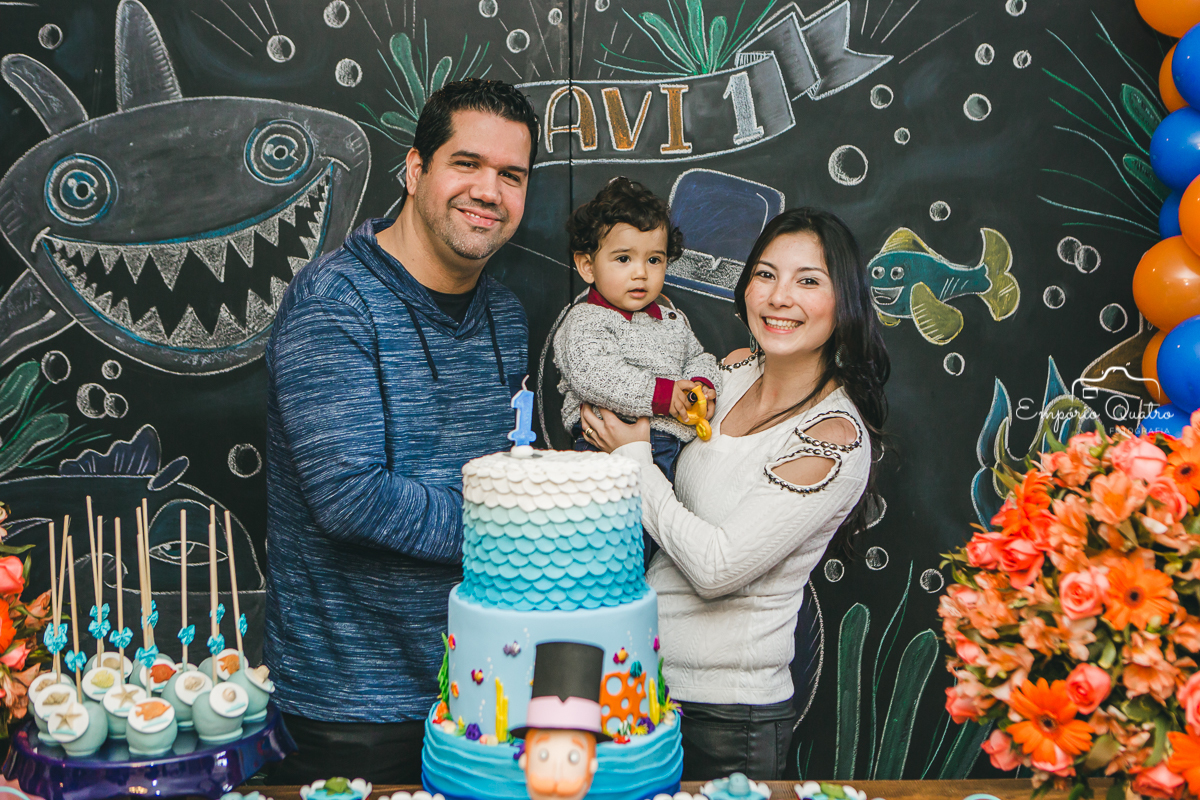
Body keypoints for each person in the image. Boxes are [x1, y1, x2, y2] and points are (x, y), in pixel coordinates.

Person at [262, 79, 538, 783]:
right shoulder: (335, 302)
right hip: (353, 710)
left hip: (483, 692)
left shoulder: (506, 315)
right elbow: (350, 499)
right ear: (415, 170)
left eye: (511, 175)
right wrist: (530, 533)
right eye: (467, 164)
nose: (489, 191)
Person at [580, 208, 890, 780]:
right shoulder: (731, 375)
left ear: (843, 301)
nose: (779, 297)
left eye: (808, 280)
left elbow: (716, 568)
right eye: (765, 275)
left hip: (726, 718)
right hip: (637, 687)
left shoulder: (832, 438)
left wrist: (631, 459)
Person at [554, 177, 719, 483]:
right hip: (605, 448)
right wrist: (663, 395)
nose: (641, 272)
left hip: (673, 447)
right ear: (588, 266)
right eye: (623, 259)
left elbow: (699, 356)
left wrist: (701, 385)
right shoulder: (585, 319)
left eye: (654, 259)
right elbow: (593, 374)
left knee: (661, 513)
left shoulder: (672, 320)